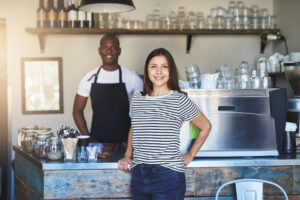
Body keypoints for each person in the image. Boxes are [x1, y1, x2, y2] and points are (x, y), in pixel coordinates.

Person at [118, 48, 211, 200]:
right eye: (153, 66)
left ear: (171, 71)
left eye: (164, 66)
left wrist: (190, 155)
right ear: (147, 71)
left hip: (168, 176)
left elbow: (206, 126)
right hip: (139, 175)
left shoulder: (179, 100)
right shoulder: (137, 99)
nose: (159, 71)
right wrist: (128, 155)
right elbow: (134, 127)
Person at [73, 34, 143, 143]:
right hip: (97, 142)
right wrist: (88, 138)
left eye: (113, 47)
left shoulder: (133, 78)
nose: (109, 51)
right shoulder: (88, 78)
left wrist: (131, 141)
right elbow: (77, 111)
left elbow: (142, 113)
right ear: (99, 50)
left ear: (119, 50)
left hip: (124, 143)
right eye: (105, 47)